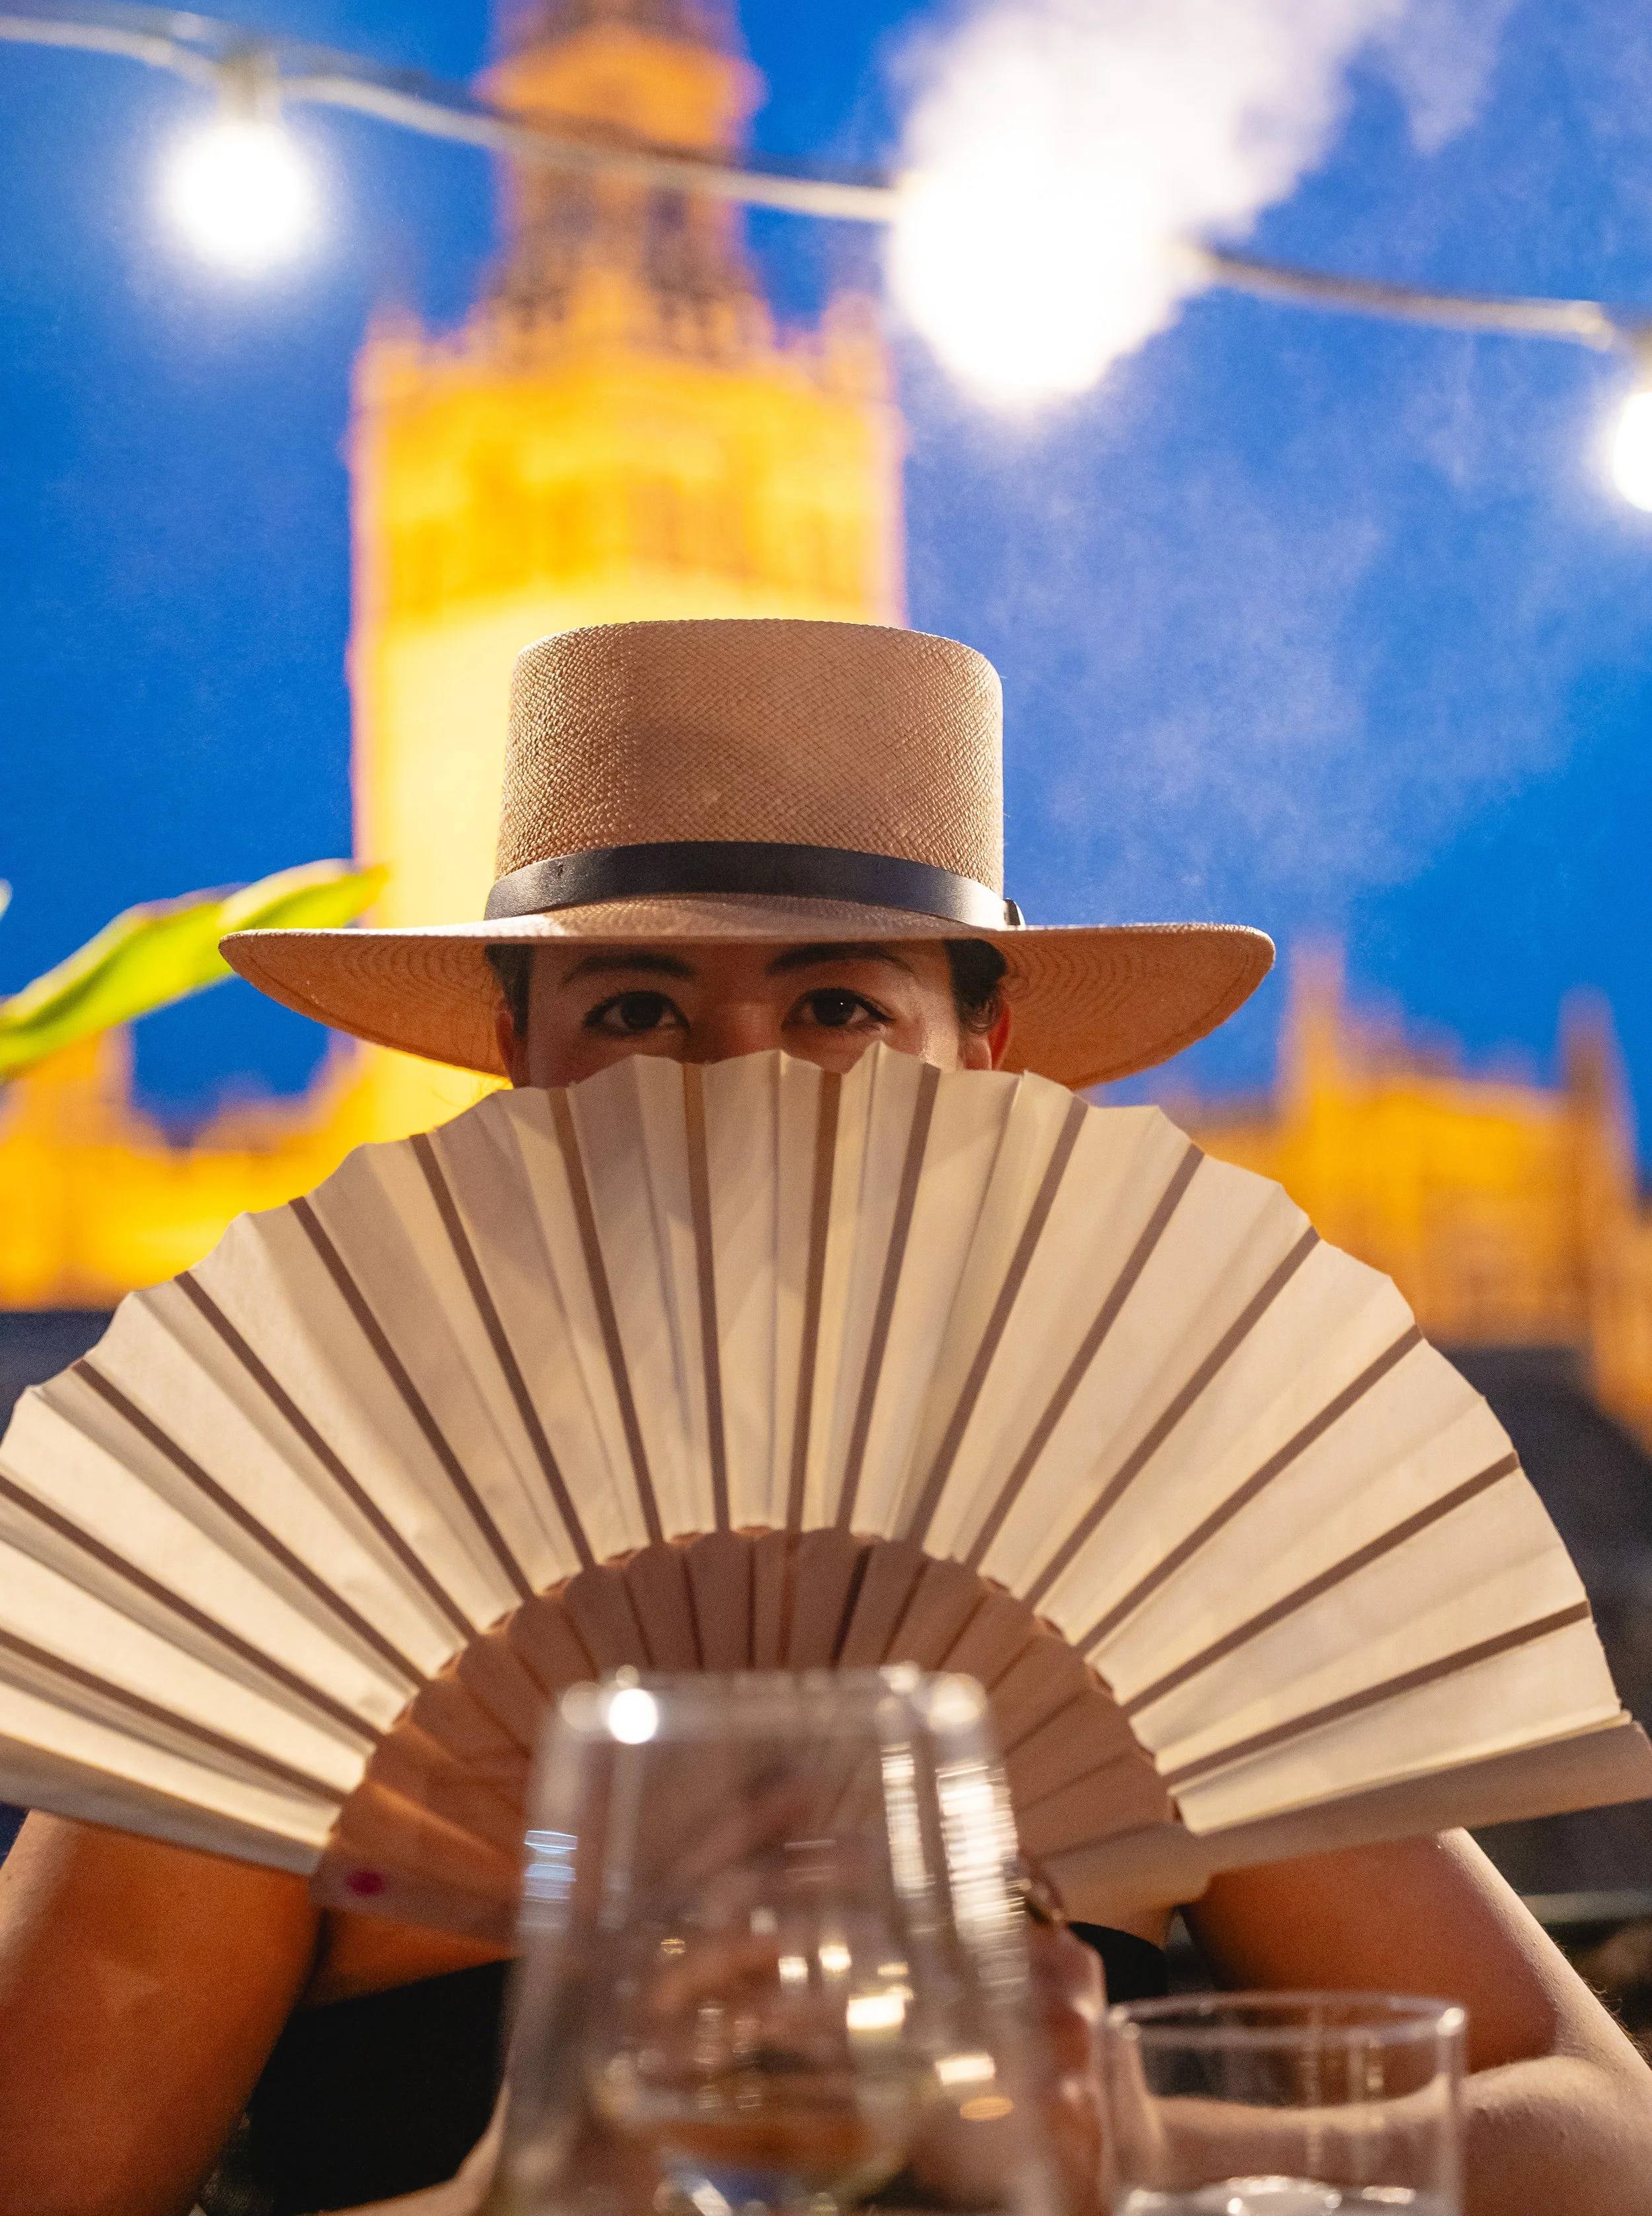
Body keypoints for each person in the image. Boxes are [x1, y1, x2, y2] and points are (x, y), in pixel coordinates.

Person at [0, 618, 1649, 2216]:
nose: (742, 1085)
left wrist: (1144, 2153)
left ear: (982, 1051)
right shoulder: (289, 1560)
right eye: (637, 1010)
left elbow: (1604, 2146)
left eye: (835, 1009)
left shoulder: (1138, 1530)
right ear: (515, 1054)